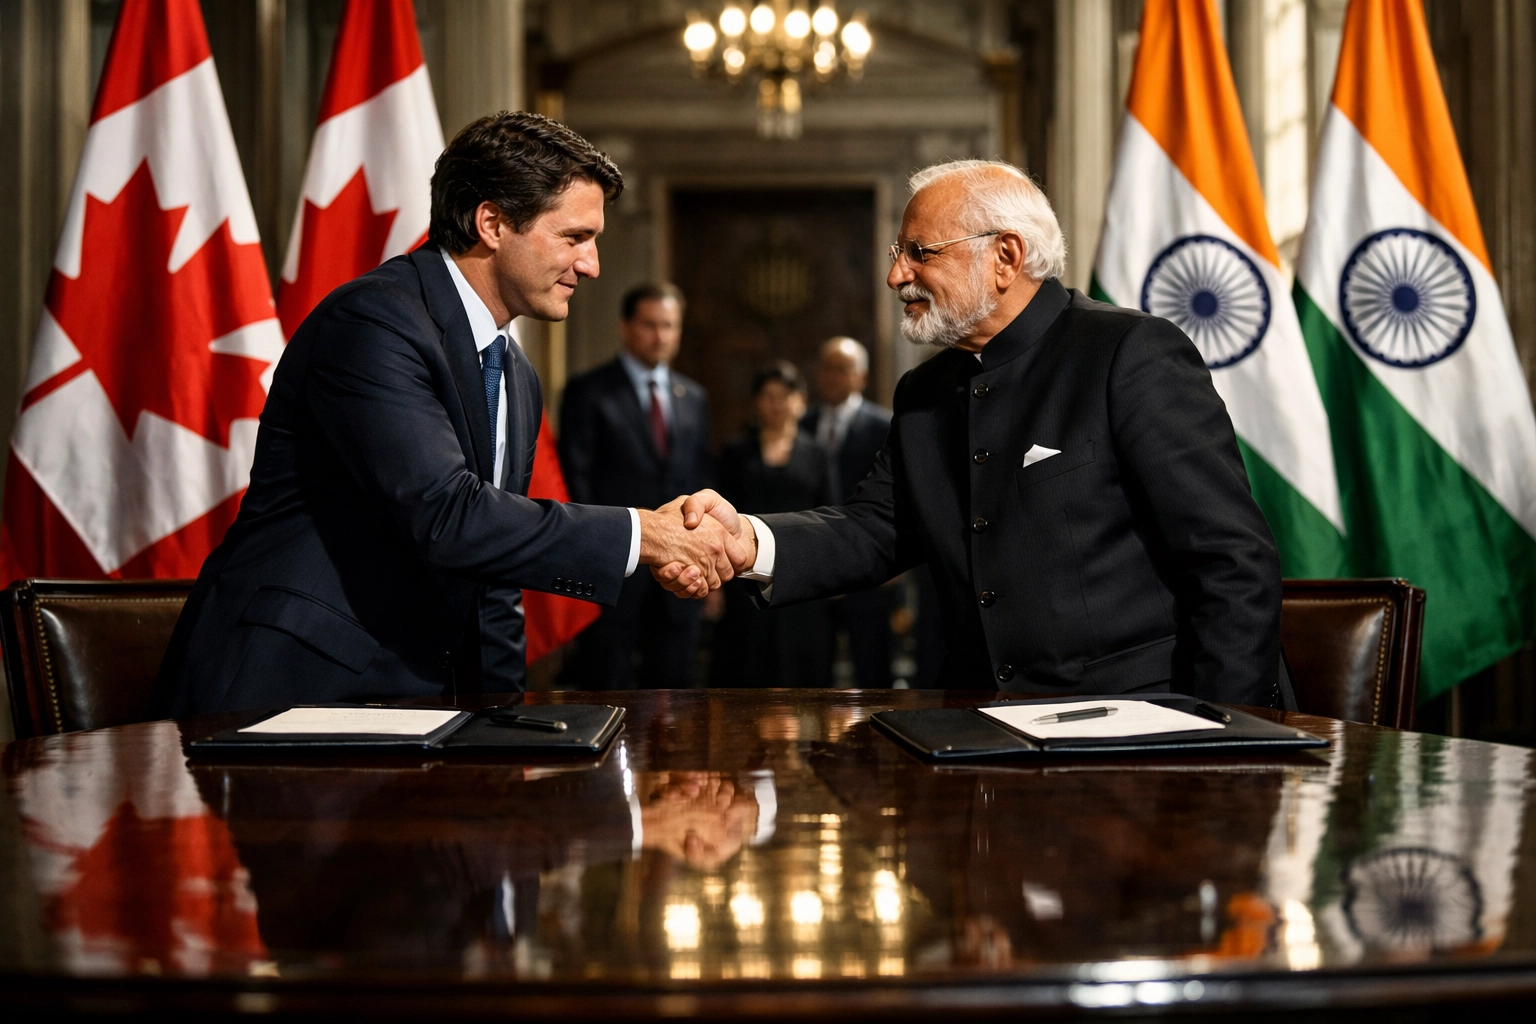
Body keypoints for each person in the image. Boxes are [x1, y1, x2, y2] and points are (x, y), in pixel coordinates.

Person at [152, 113, 739, 717]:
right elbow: (446, 515)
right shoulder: (375, 322)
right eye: (573, 238)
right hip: (288, 695)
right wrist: (645, 535)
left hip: (414, 706)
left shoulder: (516, 373)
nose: (590, 265)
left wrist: (503, 728)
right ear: (492, 223)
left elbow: (494, 578)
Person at [666, 159, 1288, 707]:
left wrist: (1222, 737)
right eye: (895, 254)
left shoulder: (1130, 353)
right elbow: (877, 528)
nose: (895, 277)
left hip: (1139, 732)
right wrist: (749, 540)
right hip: (976, 732)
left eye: (920, 252)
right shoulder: (924, 392)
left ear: (1006, 257)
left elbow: (1230, 561)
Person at [558, 283, 711, 689]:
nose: (660, 336)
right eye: (650, 325)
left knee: (675, 695)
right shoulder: (588, 391)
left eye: (669, 326)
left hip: (680, 573)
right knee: (607, 685)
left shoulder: (693, 397)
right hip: (613, 573)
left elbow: (700, 480)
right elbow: (576, 480)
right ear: (625, 327)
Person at [711, 361, 833, 687]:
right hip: (743, 572)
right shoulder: (736, 452)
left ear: (801, 401)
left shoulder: (818, 454)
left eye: (785, 395)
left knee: (802, 665)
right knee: (745, 663)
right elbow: (719, 521)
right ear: (755, 402)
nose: (777, 404)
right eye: (768, 396)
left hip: (802, 575)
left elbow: (831, 516)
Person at [801, 337, 896, 688]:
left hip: (868, 559)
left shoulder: (884, 425)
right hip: (813, 560)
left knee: (872, 665)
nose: (832, 377)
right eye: (826, 369)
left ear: (862, 377)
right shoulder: (802, 423)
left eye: (842, 370)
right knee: (814, 669)